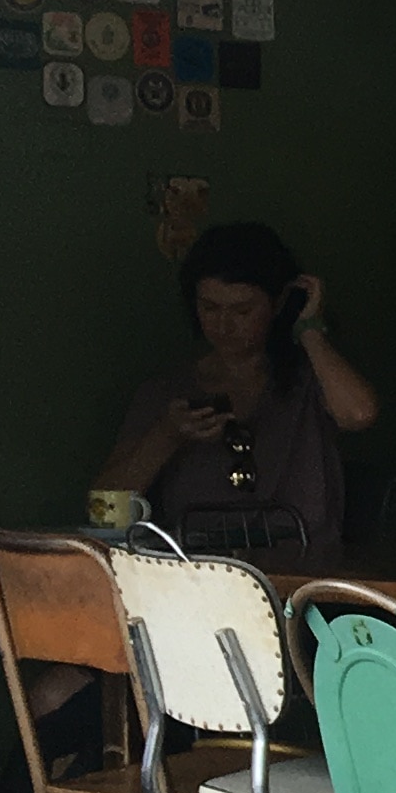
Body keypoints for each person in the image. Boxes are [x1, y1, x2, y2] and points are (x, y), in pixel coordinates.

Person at [95, 220, 379, 549]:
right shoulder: (169, 391)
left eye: (243, 310)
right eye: (210, 308)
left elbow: (359, 413)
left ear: (277, 302)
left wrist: (309, 328)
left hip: (302, 576)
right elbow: (105, 506)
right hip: (199, 574)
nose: (224, 325)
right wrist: (166, 435)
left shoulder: (309, 378)